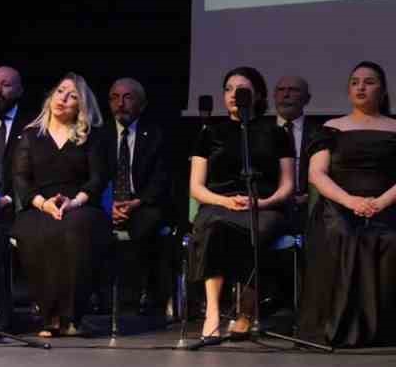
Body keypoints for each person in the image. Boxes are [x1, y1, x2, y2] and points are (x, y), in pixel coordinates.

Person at [188, 66, 295, 340]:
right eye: (228, 89)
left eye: (242, 89)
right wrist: (225, 201)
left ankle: (246, 312)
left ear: (258, 95)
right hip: (219, 203)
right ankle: (213, 312)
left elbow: (287, 185)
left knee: (255, 231)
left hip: (263, 205)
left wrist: (264, 202)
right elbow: (196, 187)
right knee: (213, 227)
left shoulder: (276, 133)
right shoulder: (209, 133)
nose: (234, 94)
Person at [297, 62, 396, 346]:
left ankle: (383, 330)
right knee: (341, 233)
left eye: (369, 82)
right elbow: (317, 174)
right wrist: (351, 201)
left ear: (383, 90)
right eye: (355, 82)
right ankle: (336, 326)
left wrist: (381, 202)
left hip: (387, 204)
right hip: (339, 205)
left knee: (390, 239)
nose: (361, 87)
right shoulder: (331, 128)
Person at [10, 73, 112, 337]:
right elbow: (21, 178)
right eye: (60, 92)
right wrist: (44, 204)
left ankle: (72, 316)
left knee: (74, 229)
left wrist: (74, 202)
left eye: (72, 96)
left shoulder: (92, 137)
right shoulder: (31, 135)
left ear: (81, 106)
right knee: (36, 232)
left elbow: (98, 178)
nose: (63, 99)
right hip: (39, 204)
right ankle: (49, 316)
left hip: (80, 204)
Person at [106, 78, 172, 314]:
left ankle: (133, 297)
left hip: (142, 203)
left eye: (127, 97)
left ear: (142, 105)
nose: (120, 104)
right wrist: (109, 205)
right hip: (106, 203)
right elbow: (93, 176)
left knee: (147, 222)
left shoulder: (155, 134)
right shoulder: (99, 135)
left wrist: (136, 202)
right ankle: (100, 295)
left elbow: (162, 178)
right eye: (115, 98)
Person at [273, 74, 322, 227]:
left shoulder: (320, 132)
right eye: (281, 90)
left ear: (307, 99)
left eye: (293, 90)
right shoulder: (261, 131)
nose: (286, 95)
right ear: (274, 96)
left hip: (312, 209)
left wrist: (310, 197)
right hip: (270, 207)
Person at [0, 65, 26, 212]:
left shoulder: (31, 124)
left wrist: (9, 198)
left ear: (20, 91)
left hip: (19, 203)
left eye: (6, 85)